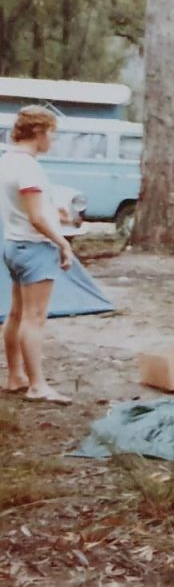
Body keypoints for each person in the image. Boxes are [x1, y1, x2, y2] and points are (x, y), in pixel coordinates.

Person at [0, 105, 75, 404]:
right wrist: (63, 243)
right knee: (34, 319)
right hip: (34, 247)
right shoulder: (29, 166)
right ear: (40, 132)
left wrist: (52, 210)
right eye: (52, 135)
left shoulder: (8, 160)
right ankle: (37, 385)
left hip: (14, 245)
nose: (52, 142)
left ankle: (15, 376)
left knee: (16, 314)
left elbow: (25, 205)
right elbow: (35, 218)